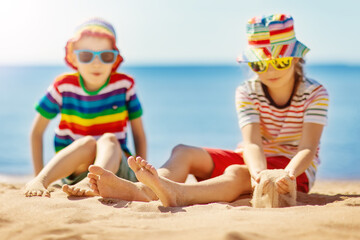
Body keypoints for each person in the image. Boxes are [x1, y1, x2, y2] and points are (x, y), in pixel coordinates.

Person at [87, 14, 329, 207]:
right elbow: (252, 144)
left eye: (281, 61)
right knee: (183, 152)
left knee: (237, 173)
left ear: (296, 59)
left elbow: (307, 148)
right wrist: (259, 173)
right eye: (259, 64)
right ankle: (146, 189)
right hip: (256, 161)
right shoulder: (247, 91)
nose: (270, 71)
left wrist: (282, 175)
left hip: (293, 170)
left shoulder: (315, 93)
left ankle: (180, 194)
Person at [24, 18, 146, 197]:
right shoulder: (64, 86)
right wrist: (37, 173)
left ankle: (93, 182)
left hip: (116, 169)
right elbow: (37, 132)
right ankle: (42, 179)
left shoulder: (124, 86)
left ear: (114, 58)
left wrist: (142, 175)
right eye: (86, 56)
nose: (96, 63)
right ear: (74, 57)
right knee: (87, 142)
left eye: (105, 56)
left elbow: (139, 134)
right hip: (75, 169)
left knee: (109, 140)